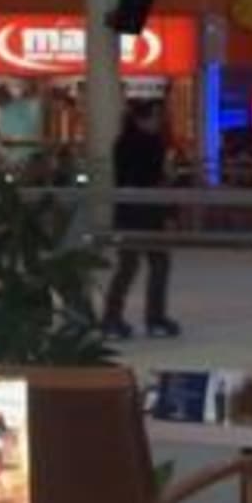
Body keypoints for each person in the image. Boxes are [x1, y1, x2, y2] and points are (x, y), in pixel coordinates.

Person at [103, 102, 178, 340]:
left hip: (130, 212)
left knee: (131, 265)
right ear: (142, 119)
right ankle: (153, 318)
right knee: (155, 263)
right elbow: (151, 178)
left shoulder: (123, 143)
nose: (159, 121)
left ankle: (112, 318)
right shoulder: (150, 144)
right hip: (145, 212)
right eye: (156, 117)